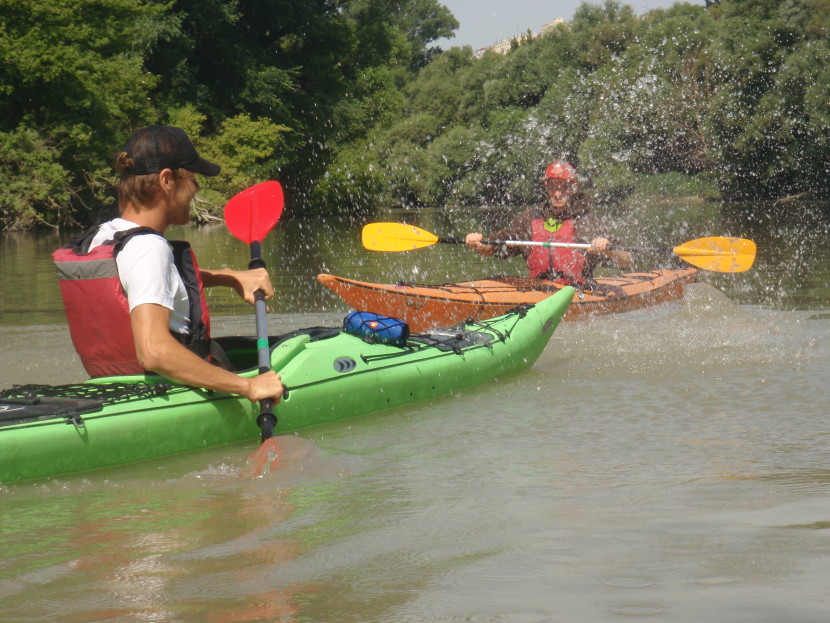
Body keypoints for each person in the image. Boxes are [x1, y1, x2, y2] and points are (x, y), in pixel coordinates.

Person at [53, 125, 283, 404]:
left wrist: (228, 277)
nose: (196, 188)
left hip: (115, 389)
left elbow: (142, 281)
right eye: (192, 179)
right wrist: (248, 387)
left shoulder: (103, 237)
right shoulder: (148, 247)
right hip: (166, 392)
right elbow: (154, 352)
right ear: (167, 180)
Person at [465, 161, 632, 289]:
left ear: (573, 188)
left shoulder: (587, 221)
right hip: (538, 289)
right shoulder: (529, 218)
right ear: (546, 187)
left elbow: (626, 261)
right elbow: (498, 247)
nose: (557, 193)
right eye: (552, 187)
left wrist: (607, 248)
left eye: (564, 187)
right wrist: (479, 245)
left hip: (578, 291)